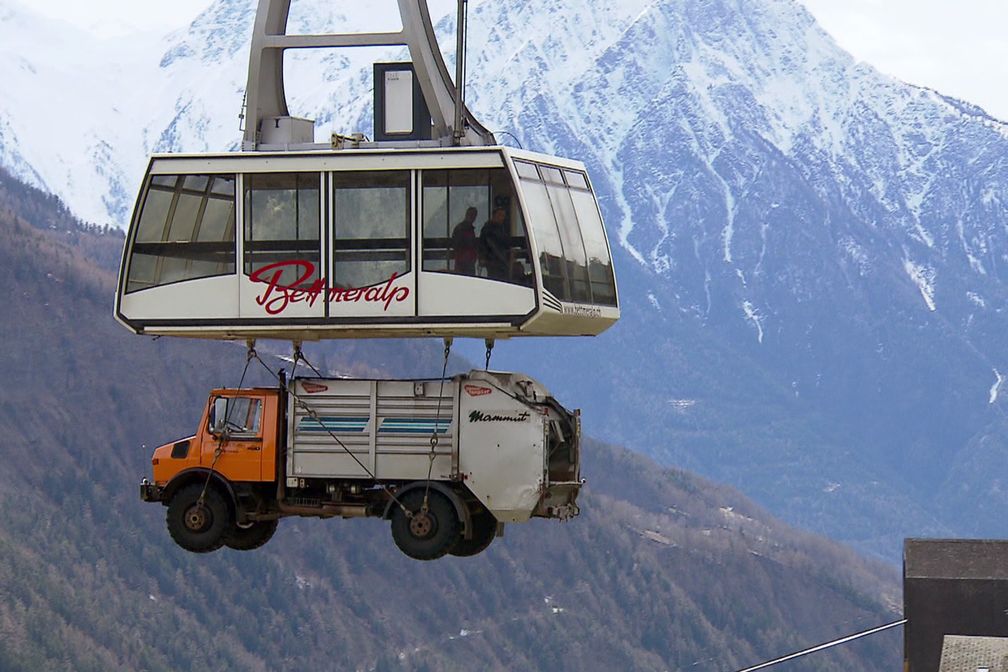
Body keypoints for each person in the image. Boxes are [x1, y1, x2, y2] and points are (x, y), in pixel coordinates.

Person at [479, 206, 511, 281]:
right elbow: (485, 244)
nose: (501, 218)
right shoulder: (488, 229)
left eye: (503, 216)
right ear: (494, 215)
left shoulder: (501, 228)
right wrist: (484, 257)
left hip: (500, 260)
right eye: (499, 215)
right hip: (493, 260)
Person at [450, 206, 479, 275]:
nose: (473, 217)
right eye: (472, 215)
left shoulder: (461, 228)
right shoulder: (465, 229)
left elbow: (455, 244)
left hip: (465, 259)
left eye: (474, 215)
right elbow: (457, 244)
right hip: (465, 260)